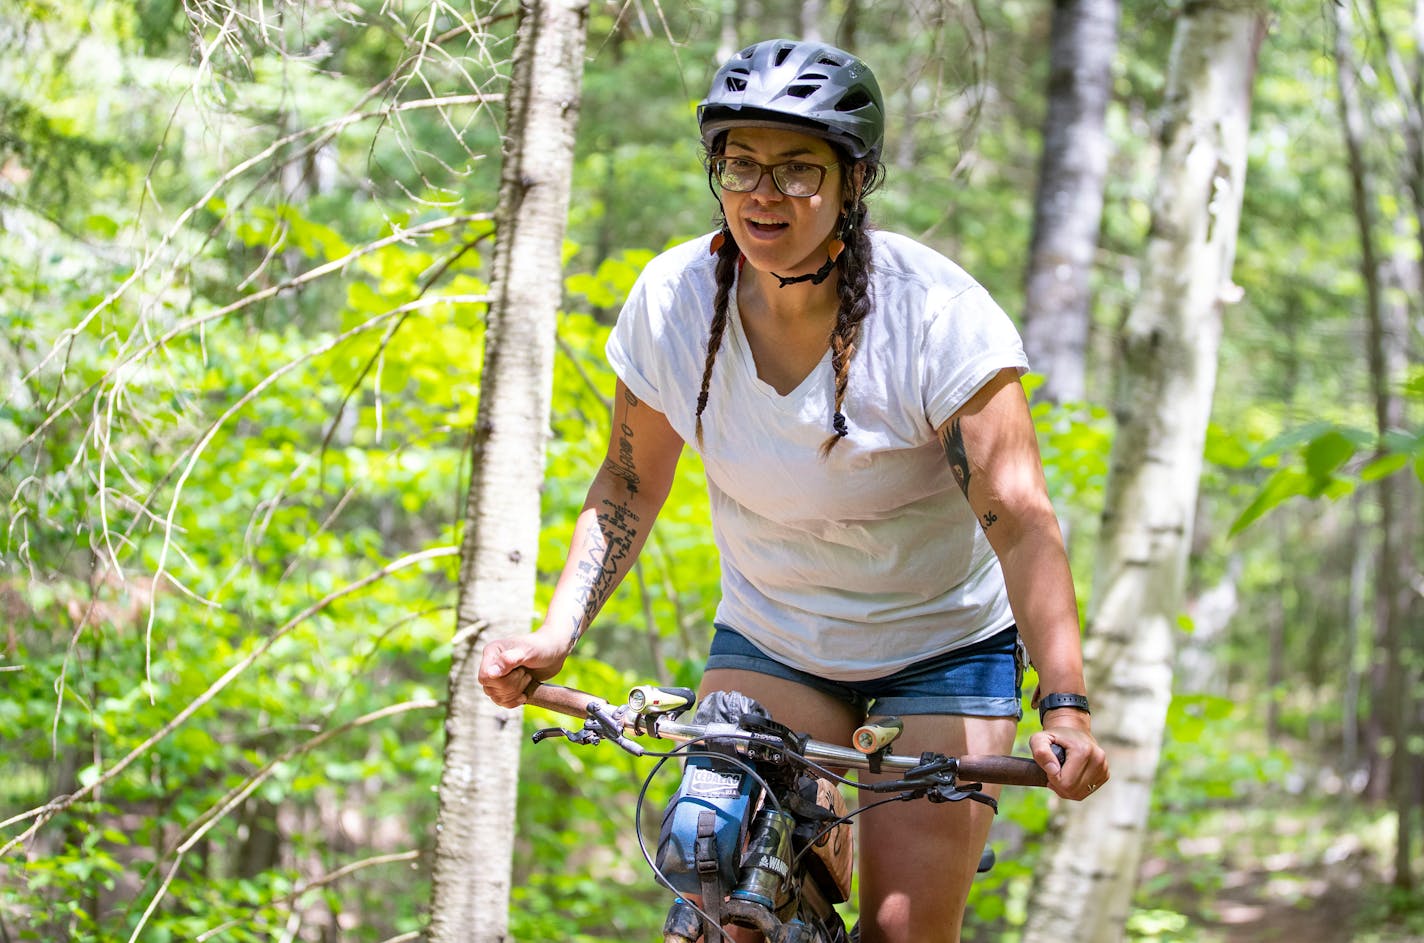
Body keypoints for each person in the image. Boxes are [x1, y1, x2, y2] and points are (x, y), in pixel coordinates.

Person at [479, 37, 1109, 943]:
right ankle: (809, 854)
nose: (762, 193)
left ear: (854, 181)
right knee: (712, 880)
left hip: (941, 650)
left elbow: (1019, 517)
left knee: (902, 932)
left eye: (796, 169)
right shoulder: (674, 302)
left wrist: (1066, 701)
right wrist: (554, 632)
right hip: (775, 636)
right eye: (739, 164)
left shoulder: (935, 315)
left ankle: (851, 841)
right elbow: (627, 480)